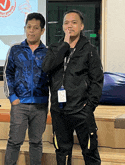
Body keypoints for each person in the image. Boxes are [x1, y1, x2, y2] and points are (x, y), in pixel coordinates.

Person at [42, 10, 103, 165]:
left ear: (81, 26)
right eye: (66, 22)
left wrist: (89, 107)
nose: (70, 26)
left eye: (74, 22)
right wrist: (65, 45)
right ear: (62, 26)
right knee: (62, 153)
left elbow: (97, 81)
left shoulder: (89, 50)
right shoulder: (55, 48)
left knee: (90, 152)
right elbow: (46, 68)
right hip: (59, 110)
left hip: (81, 110)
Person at [3, 12, 49, 165]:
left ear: (42, 31)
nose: (31, 31)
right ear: (25, 28)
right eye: (29, 27)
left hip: (40, 105)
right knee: (14, 141)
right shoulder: (15, 50)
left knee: (36, 142)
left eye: (36, 28)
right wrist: (12, 97)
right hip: (19, 104)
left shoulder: (48, 53)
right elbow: (7, 73)